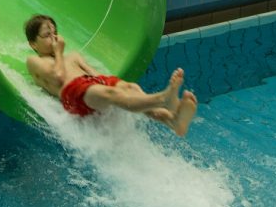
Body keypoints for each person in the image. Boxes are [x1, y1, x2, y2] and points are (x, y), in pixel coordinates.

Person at [24, 14, 197, 136]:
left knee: (130, 88)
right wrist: (59, 52)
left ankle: (172, 120)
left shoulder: (74, 56)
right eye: (47, 35)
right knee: (111, 94)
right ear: (33, 43)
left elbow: (96, 75)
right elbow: (58, 77)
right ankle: (163, 98)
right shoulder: (36, 61)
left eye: (55, 33)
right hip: (73, 92)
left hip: (92, 84)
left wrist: (121, 87)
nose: (54, 39)